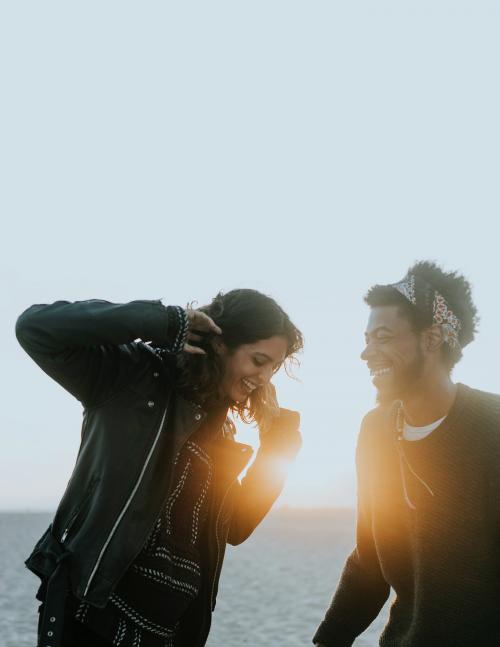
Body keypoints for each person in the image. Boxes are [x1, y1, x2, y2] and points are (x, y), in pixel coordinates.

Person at [16, 290, 303, 647]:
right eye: (258, 360)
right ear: (219, 343)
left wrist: (279, 444)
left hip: (169, 634)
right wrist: (165, 322)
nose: (263, 378)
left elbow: (237, 525)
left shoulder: (222, 431)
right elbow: (35, 328)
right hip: (91, 618)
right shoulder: (131, 376)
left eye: (273, 369)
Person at [313, 261, 500, 647]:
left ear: (431, 339)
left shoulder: (493, 426)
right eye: (367, 338)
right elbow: (370, 562)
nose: (367, 352)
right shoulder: (376, 430)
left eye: (382, 337)